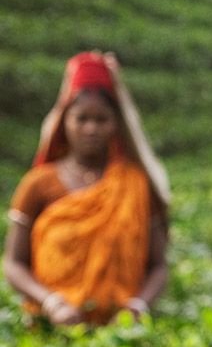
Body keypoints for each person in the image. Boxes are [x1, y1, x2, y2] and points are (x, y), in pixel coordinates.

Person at [3, 52, 170, 325]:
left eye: (101, 120)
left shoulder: (135, 184)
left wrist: (138, 307)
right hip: (50, 326)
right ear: (64, 121)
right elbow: (13, 263)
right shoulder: (38, 184)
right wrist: (51, 302)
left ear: (115, 124)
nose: (91, 129)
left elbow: (159, 266)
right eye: (81, 119)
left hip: (121, 332)